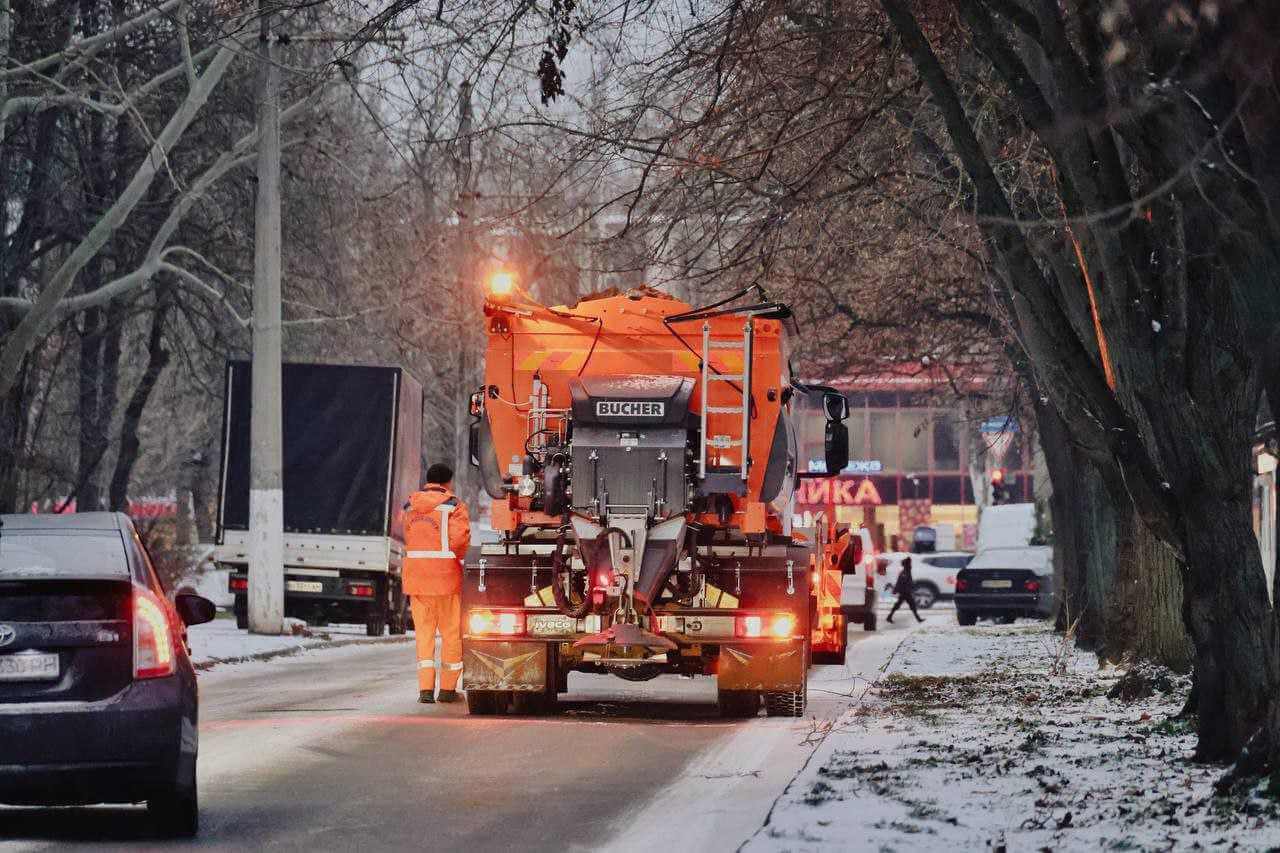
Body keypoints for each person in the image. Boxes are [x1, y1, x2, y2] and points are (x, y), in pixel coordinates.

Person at [403, 463, 471, 703]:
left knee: (424, 635)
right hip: (445, 580)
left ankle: (425, 690)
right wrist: (462, 559)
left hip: (417, 581)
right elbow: (459, 540)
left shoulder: (410, 506)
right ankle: (448, 690)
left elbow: (410, 536)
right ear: (447, 483)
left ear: (428, 481)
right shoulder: (453, 506)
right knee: (451, 634)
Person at [887, 555, 924, 624]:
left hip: (905, 591)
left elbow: (908, 581)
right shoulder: (905, 572)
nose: (911, 565)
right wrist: (896, 589)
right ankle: (918, 619)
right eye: (910, 563)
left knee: (899, 605)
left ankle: (889, 617)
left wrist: (912, 586)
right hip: (905, 592)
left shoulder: (906, 571)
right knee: (911, 605)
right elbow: (901, 582)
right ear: (907, 564)